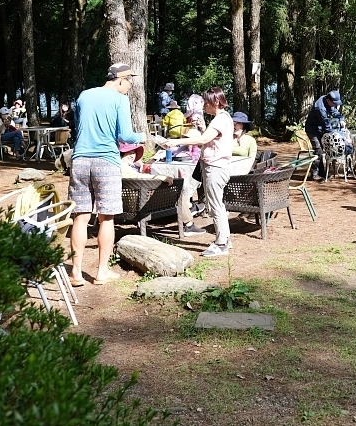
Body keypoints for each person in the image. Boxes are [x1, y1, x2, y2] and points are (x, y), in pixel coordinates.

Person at [68, 63, 145, 286]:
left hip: (80, 160)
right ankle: (102, 272)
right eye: (129, 81)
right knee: (107, 217)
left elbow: (79, 127)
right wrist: (142, 137)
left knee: (80, 217)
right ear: (120, 79)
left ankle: (76, 273)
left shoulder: (84, 96)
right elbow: (126, 136)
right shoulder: (120, 100)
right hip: (106, 161)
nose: (130, 86)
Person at [161, 86, 235, 258]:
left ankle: (221, 244)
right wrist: (203, 128)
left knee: (215, 205)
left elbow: (203, 140)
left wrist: (176, 142)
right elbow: (211, 140)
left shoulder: (220, 119)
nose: (204, 106)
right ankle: (225, 239)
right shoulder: (222, 118)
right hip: (216, 166)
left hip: (215, 168)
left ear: (215, 102)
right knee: (217, 204)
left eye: (206, 102)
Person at [304, 90, 343, 181]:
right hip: (312, 130)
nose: (335, 105)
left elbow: (334, 112)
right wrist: (335, 134)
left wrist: (341, 119)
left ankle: (321, 172)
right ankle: (314, 174)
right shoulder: (320, 108)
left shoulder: (326, 99)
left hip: (319, 129)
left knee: (321, 150)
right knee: (318, 150)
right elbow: (326, 125)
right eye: (334, 103)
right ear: (329, 100)